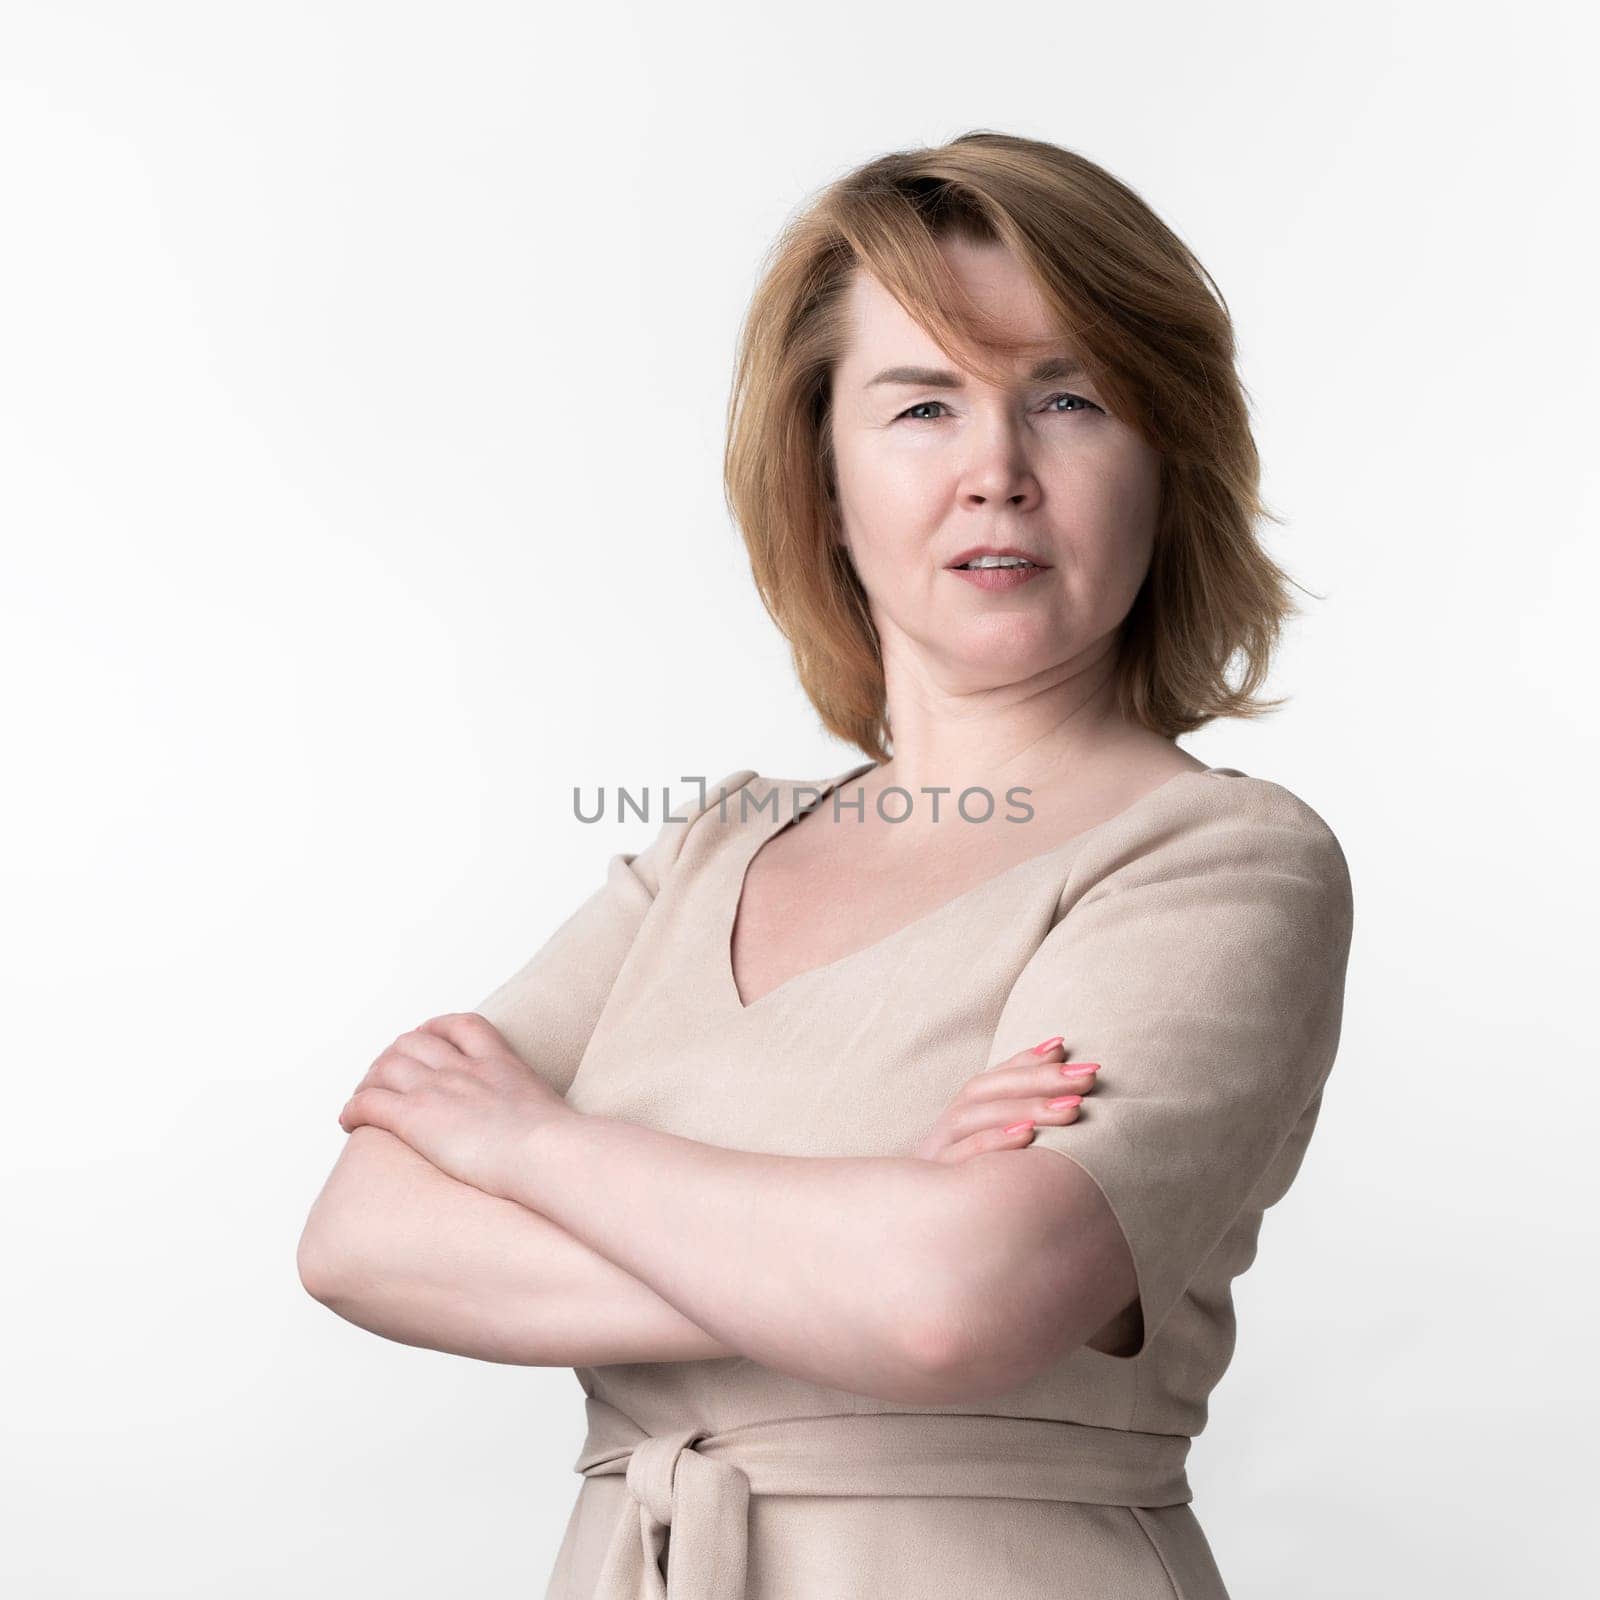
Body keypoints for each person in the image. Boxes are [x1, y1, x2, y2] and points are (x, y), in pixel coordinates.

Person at [299, 129, 1356, 1599]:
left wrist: (536, 1151)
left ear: (1165, 459)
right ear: (825, 474)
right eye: (923, 405)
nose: (998, 470)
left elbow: (950, 1299)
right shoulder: (707, 849)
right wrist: (858, 1219)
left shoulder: (1225, 861)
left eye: (1068, 397)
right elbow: (362, 1234)